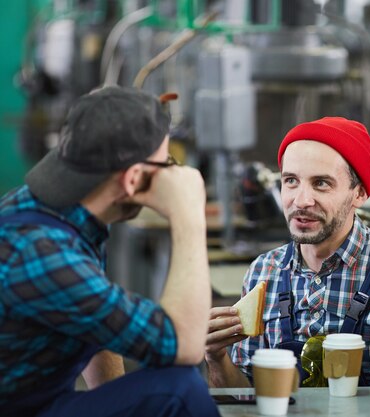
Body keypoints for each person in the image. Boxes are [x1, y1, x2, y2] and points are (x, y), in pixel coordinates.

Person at [0, 86, 220, 417]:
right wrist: (188, 213)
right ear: (133, 179)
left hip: (36, 401)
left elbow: (96, 323)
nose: (173, 174)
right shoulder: (40, 250)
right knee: (180, 389)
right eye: (167, 164)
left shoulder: (64, 211)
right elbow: (183, 345)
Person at [205, 116, 370, 388]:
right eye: (291, 181)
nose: (302, 201)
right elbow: (247, 399)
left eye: (321, 183)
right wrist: (216, 357)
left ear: (360, 193)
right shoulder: (264, 272)